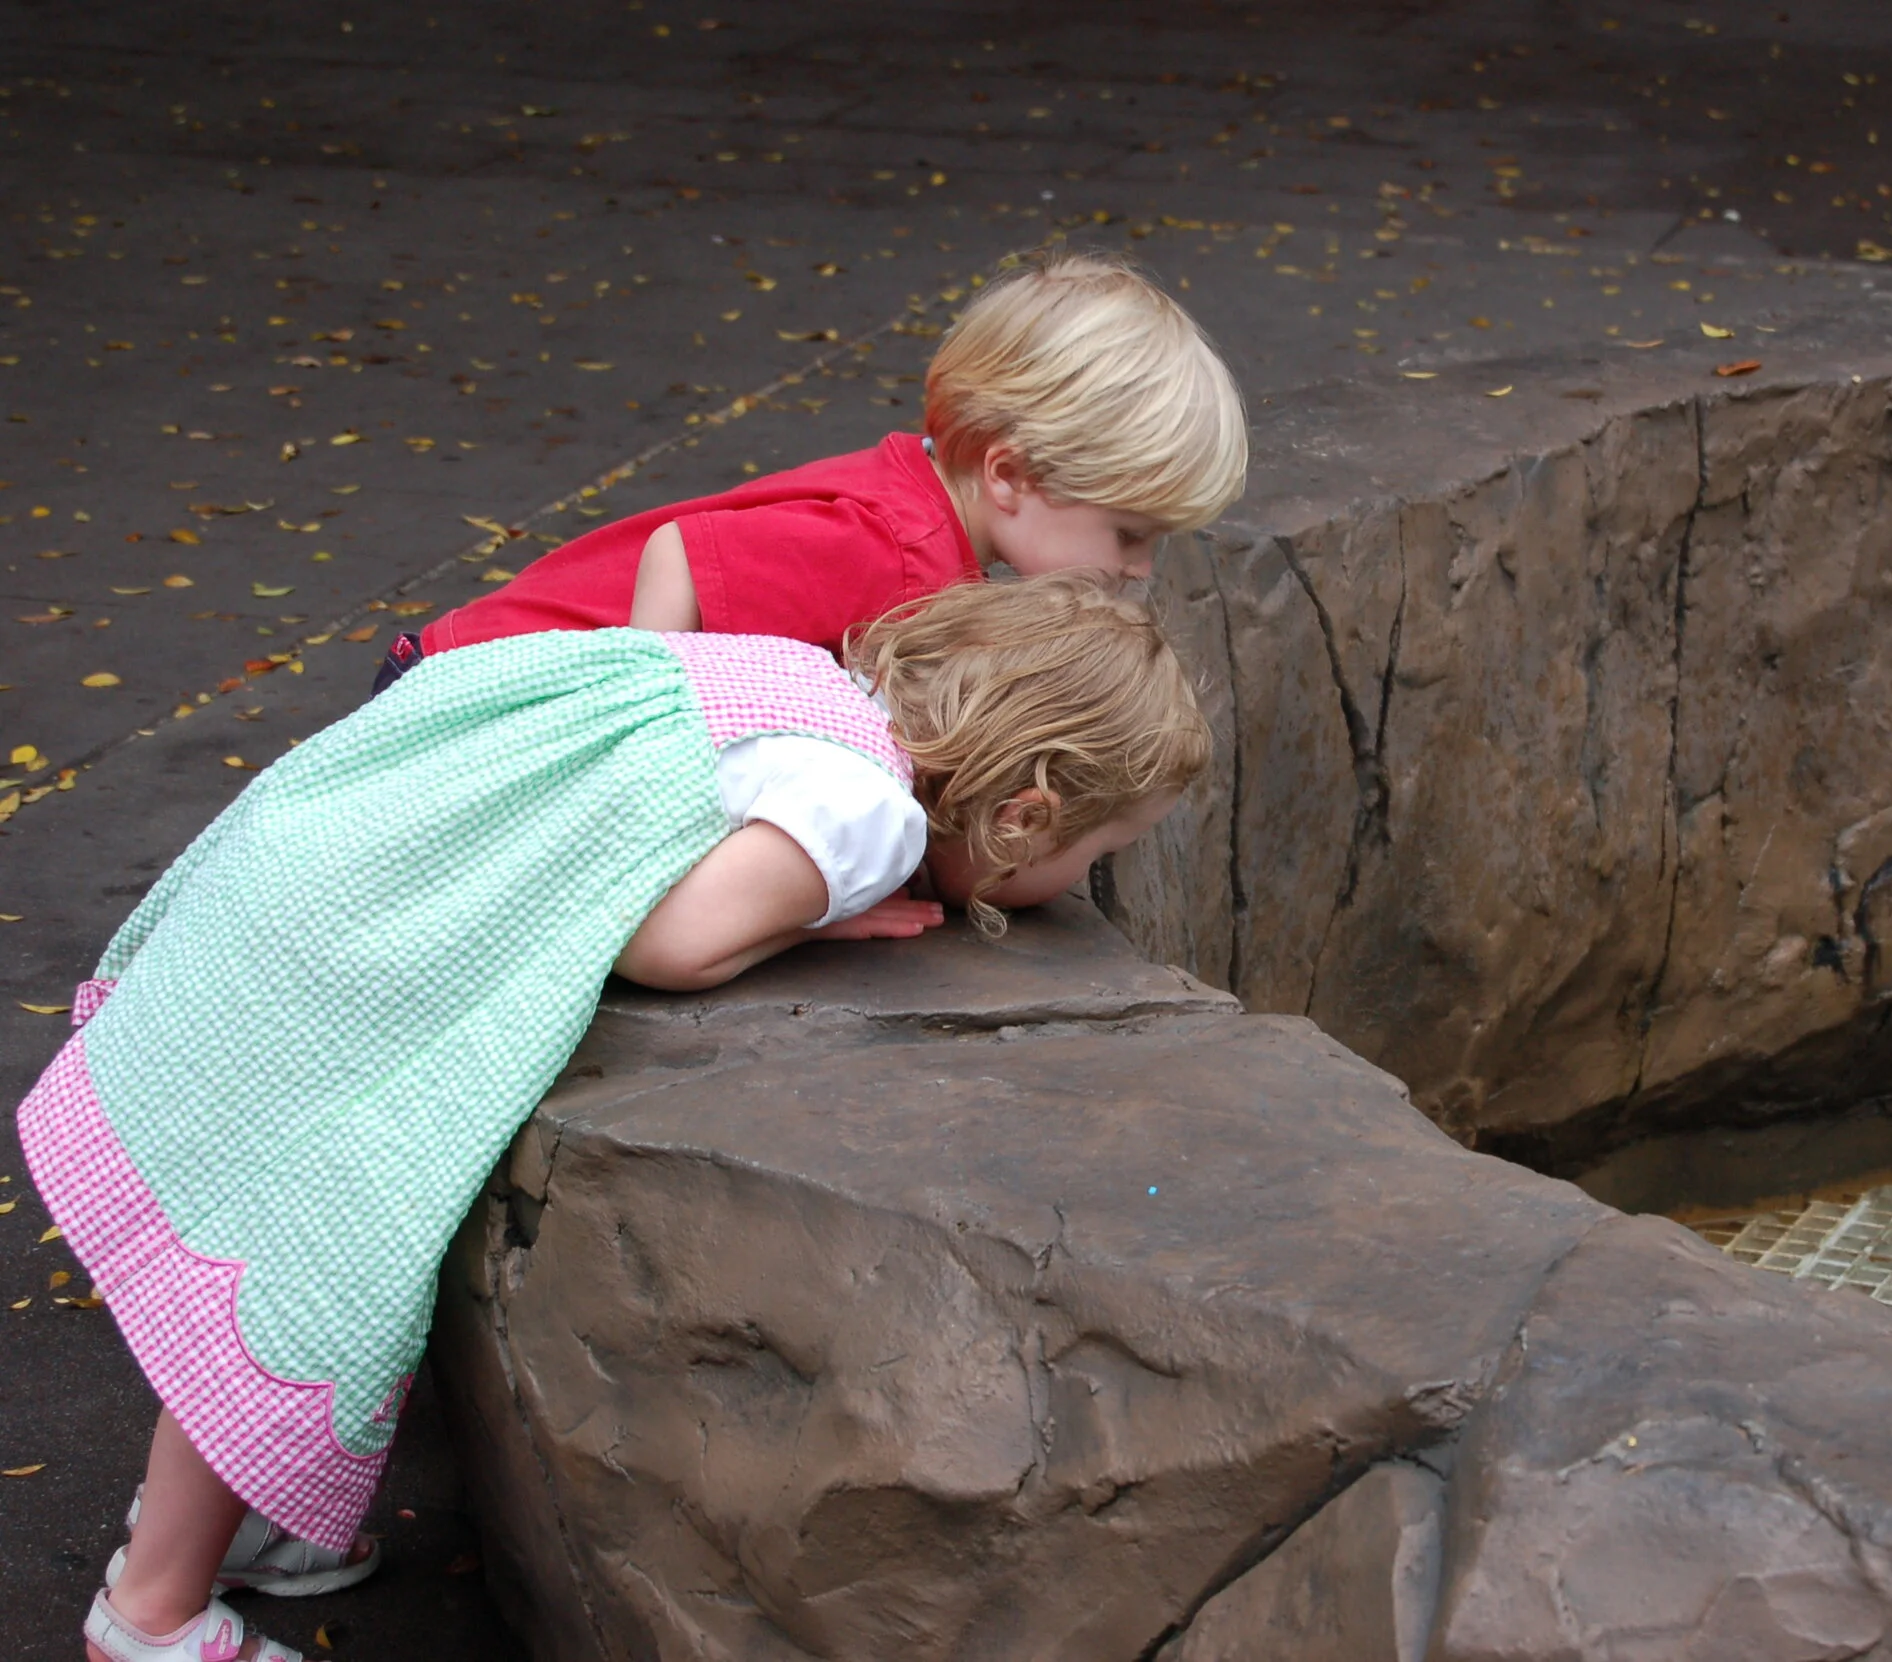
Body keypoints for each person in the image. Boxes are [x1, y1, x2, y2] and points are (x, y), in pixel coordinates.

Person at [24, 572, 1210, 1662]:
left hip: (350, 867)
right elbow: (672, 939)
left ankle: (226, 1516)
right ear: (1022, 815)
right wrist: (807, 915)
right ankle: (151, 1612)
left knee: (256, 1246)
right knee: (305, 1264)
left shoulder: (808, 683)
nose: (1094, 877)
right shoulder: (866, 815)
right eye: (1103, 849)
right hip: (362, 956)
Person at [373, 248, 1247, 693]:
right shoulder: (892, 547)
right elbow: (680, 553)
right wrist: (638, 737)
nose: (1140, 567)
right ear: (1010, 473)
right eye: (1130, 534)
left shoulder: (924, 503)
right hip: (472, 689)